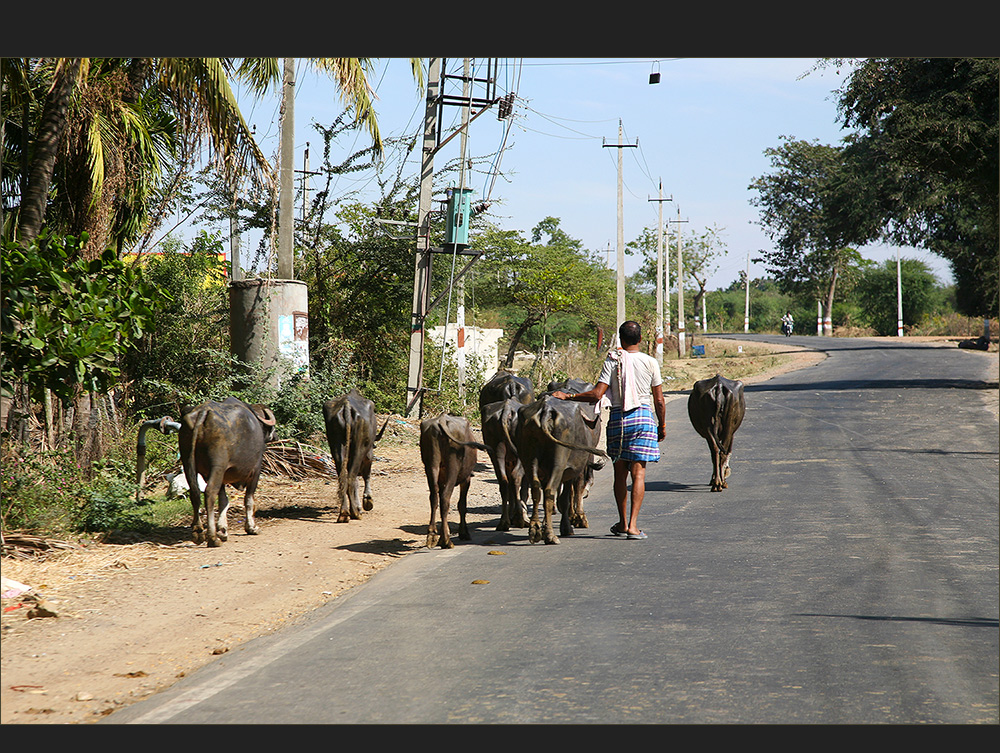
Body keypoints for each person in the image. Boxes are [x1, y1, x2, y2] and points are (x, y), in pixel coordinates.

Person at [552, 320, 666, 540]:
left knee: (620, 474)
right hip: (643, 419)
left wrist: (569, 396)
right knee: (638, 473)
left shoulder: (614, 360)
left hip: (618, 420)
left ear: (621, 340)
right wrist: (661, 425)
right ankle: (633, 527)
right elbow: (659, 400)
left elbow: (596, 394)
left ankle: (622, 523)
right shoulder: (651, 362)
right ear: (640, 339)